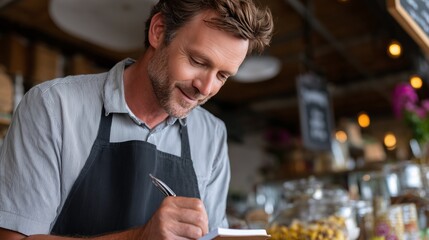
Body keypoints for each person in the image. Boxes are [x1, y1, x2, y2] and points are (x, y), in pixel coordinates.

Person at [0, 0, 273, 239]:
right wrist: (139, 238)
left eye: (223, 76)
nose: (206, 88)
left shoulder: (212, 135)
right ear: (159, 31)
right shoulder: (53, 107)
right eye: (198, 61)